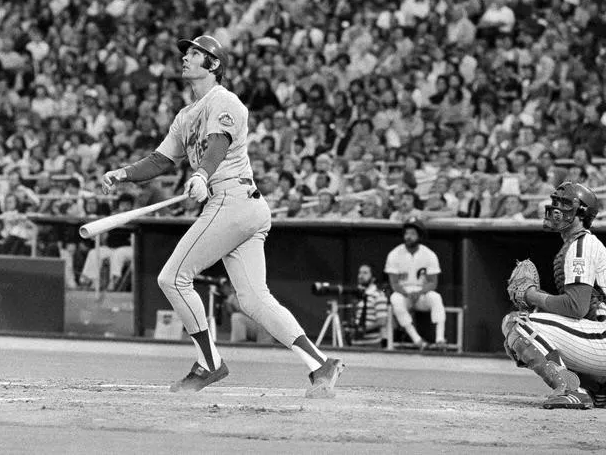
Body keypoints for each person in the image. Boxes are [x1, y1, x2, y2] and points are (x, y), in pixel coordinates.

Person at [102, 35, 342, 396]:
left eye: (195, 54)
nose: (185, 57)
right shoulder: (186, 116)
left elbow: (219, 144)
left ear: (213, 65)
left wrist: (201, 174)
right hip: (241, 206)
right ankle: (320, 365)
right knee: (254, 299)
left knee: (173, 278)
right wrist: (123, 174)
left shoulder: (225, 101)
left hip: (232, 199)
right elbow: (161, 161)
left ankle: (209, 363)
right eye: (186, 52)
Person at [502, 182, 606, 410]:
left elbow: (575, 307)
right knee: (542, 323)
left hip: (602, 338)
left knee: (518, 323)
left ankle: (571, 390)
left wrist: (532, 296)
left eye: (565, 204)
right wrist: (540, 301)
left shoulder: (582, 245)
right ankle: (598, 388)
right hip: (598, 333)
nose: (556, 208)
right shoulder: (580, 244)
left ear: (581, 213)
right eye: (556, 202)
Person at [384, 218, 447, 349]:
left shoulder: (429, 254)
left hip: (421, 294)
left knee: (436, 297)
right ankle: (417, 340)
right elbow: (394, 283)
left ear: (419, 235)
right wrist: (407, 293)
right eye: (407, 233)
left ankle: (440, 339)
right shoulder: (394, 254)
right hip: (404, 293)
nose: (408, 237)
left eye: (412, 233)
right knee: (395, 298)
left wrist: (419, 292)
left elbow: (433, 283)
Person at [352, 264, 389, 346]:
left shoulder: (379, 295)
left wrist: (362, 329)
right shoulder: (359, 295)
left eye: (365, 273)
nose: (361, 276)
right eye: (360, 272)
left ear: (373, 278)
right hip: (356, 343)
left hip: (372, 344)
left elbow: (382, 321)